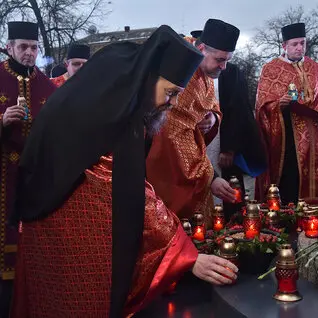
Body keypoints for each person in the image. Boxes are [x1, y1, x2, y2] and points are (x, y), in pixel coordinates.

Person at [11, 25, 238, 318]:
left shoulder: (120, 95)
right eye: (170, 93)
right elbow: (121, 184)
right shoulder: (110, 111)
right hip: (65, 231)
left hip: (62, 218)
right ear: (149, 77)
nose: (171, 103)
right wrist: (185, 254)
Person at [146, 19, 240, 223]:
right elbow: (174, 135)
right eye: (220, 60)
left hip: (194, 159)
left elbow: (211, 106)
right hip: (168, 168)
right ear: (202, 48)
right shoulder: (180, 70)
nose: (224, 67)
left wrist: (213, 119)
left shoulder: (203, 66)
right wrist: (210, 178)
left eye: (228, 60)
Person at [255, 23, 318, 206]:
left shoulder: (315, 68)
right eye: (295, 44)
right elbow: (263, 105)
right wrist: (278, 104)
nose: (299, 47)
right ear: (284, 46)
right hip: (288, 139)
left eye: (303, 43)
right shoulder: (271, 69)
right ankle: (291, 214)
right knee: (291, 178)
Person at [0, 21, 56, 316]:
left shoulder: (48, 86)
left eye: (34, 48)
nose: (29, 53)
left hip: (33, 181)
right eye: (22, 47)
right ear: (9, 48)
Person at [209, 61, 267, 219]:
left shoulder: (231, 72)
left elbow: (239, 109)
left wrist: (229, 148)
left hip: (223, 144)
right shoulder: (192, 71)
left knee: (229, 194)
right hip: (199, 144)